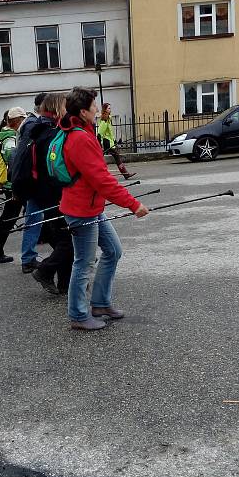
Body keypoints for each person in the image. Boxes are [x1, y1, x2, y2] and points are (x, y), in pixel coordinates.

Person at [59, 87, 149, 331]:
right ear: (83, 111)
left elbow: (98, 177)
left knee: (113, 251)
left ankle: (99, 303)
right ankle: (78, 315)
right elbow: (102, 180)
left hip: (91, 207)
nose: (97, 110)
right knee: (84, 263)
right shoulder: (79, 138)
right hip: (81, 210)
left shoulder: (84, 131)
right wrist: (133, 204)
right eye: (93, 106)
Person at [15, 93, 64, 274]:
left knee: (39, 220)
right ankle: (64, 254)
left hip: (33, 182)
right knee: (45, 220)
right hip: (39, 183)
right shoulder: (39, 126)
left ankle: (33, 257)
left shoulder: (33, 124)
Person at [0, 107, 26, 263]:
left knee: (8, 219)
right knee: (7, 219)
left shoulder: (9, 135)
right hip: (13, 185)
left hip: (13, 184)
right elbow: (13, 160)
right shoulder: (10, 138)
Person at [97, 102, 135, 179]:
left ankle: (125, 174)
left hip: (110, 142)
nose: (110, 110)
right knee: (112, 158)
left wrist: (114, 141)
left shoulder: (108, 119)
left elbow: (110, 132)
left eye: (110, 108)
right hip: (106, 143)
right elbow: (99, 134)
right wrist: (100, 146)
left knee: (103, 158)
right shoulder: (104, 121)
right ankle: (125, 174)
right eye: (108, 108)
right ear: (105, 110)